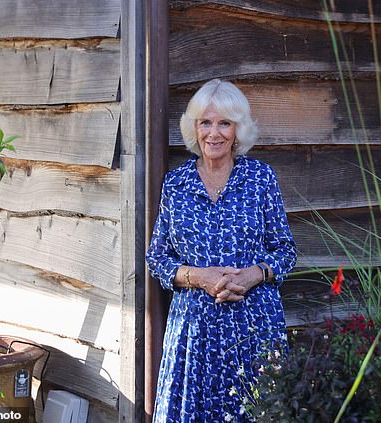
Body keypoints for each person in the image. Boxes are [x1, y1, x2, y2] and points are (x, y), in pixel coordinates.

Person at [146, 79, 296, 422]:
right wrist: (200, 277)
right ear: (194, 128)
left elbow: (285, 249)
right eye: (206, 122)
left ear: (237, 130)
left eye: (224, 123)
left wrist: (252, 275)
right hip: (194, 330)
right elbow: (158, 257)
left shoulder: (260, 179)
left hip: (253, 324)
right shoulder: (177, 184)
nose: (214, 133)